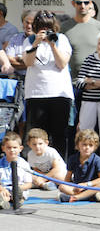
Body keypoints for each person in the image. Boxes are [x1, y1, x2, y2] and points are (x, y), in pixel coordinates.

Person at [24, 10, 74, 157]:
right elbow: (28, 62)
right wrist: (36, 43)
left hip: (59, 94)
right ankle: (40, 169)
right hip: (36, 94)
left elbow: (62, 64)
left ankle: (60, 170)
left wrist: (53, 45)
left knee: (59, 134)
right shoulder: (29, 41)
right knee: (38, 136)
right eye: (41, 28)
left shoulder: (62, 39)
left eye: (48, 28)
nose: (45, 32)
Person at [75, 30, 100, 170]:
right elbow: (78, 82)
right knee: (85, 132)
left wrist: (91, 81)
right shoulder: (90, 59)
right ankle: (83, 164)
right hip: (88, 102)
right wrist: (99, 83)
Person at [63, 0, 100, 82]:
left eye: (86, 2)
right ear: (73, 3)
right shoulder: (64, 28)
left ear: (90, 3)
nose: (82, 6)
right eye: (79, 3)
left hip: (95, 83)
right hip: (72, 82)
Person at [57, 129, 100, 203]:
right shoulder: (72, 159)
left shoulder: (97, 160)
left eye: (90, 145)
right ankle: (89, 196)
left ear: (95, 147)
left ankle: (76, 198)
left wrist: (86, 184)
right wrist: (73, 186)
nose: (87, 147)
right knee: (62, 186)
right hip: (78, 188)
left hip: (92, 186)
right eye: (84, 144)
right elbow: (67, 179)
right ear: (77, 145)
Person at [0, 133, 32, 208]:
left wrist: (18, 188)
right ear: (3, 148)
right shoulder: (0, 163)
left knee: (18, 193)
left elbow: (29, 184)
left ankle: (17, 199)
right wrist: (2, 189)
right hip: (4, 188)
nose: (12, 150)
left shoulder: (24, 164)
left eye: (15, 147)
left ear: (20, 148)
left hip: (19, 188)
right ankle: (4, 202)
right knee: (2, 194)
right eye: (9, 147)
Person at [4, 10, 36, 80]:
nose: (29, 26)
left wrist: (19, 59)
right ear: (23, 22)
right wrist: (30, 63)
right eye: (27, 22)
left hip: (36, 80)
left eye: (32, 23)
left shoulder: (42, 40)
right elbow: (10, 60)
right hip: (19, 80)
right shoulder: (15, 38)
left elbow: (40, 63)